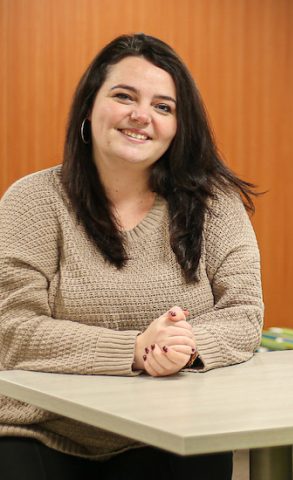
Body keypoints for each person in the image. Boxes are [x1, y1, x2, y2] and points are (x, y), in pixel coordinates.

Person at [0, 33, 263, 479]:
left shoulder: (214, 203)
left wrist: (185, 346)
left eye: (163, 106)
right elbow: (12, 330)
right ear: (89, 106)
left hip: (172, 429)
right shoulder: (33, 200)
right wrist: (135, 351)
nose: (141, 116)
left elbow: (244, 313)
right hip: (40, 430)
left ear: (180, 125)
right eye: (124, 96)